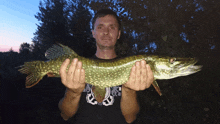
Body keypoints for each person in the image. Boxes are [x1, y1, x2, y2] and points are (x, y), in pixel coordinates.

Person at [58, 9, 154, 124]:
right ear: (93, 33)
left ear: (118, 34)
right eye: (100, 27)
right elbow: (65, 115)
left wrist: (129, 90)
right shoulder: (77, 66)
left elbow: (130, 118)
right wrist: (73, 92)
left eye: (112, 27)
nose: (106, 32)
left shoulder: (133, 67)